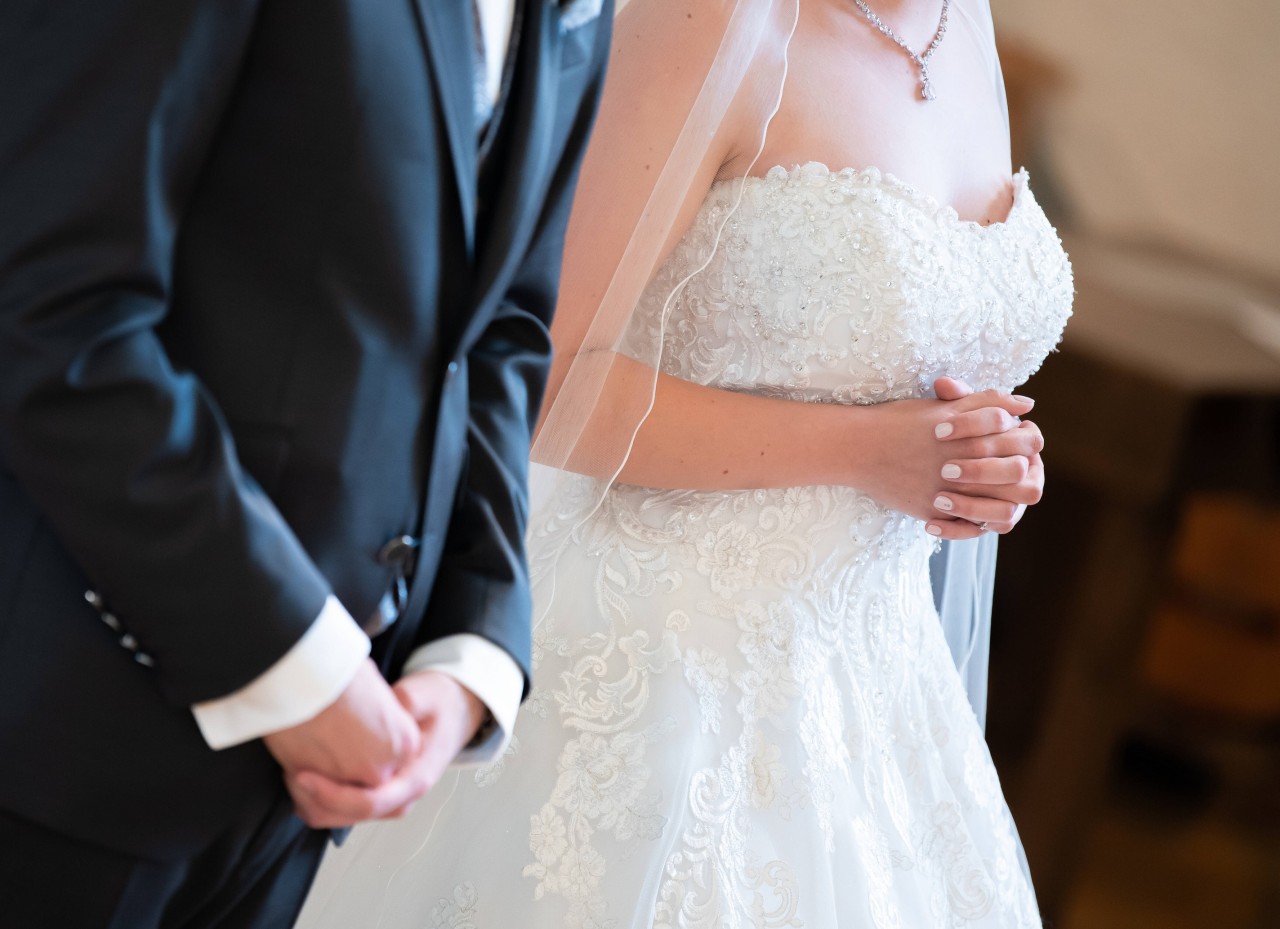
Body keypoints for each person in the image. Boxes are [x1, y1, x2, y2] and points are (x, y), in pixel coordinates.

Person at [297, 0, 1072, 926]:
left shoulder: (961, 27)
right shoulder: (712, 17)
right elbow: (542, 378)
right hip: (666, 672)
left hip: (879, 695)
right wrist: (869, 452)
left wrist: (975, 466)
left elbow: (930, 361)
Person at [0, 0, 611, 925]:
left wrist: (471, 644)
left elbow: (499, 329)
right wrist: (296, 663)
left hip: (303, 799)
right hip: (61, 731)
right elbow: (51, 310)